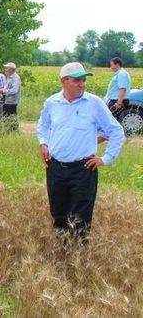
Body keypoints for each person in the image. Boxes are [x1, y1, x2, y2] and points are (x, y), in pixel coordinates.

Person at [37, 62, 125, 240]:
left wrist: (105, 158)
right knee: (59, 215)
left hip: (83, 169)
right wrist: (43, 142)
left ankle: (79, 259)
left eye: (84, 80)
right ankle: (62, 254)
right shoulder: (52, 102)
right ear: (64, 81)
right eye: (77, 80)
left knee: (81, 220)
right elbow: (43, 124)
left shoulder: (94, 103)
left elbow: (116, 131)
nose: (82, 84)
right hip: (55, 168)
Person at [2, 62, 22, 131]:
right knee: (6, 117)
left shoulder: (16, 78)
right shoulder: (9, 77)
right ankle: (7, 131)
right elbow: (5, 88)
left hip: (12, 101)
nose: (5, 69)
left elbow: (14, 91)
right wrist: (4, 90)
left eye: (7, 68)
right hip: (7, 100)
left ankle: (14, 132)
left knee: (12, 118)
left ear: (11, 69)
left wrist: (3, 91)